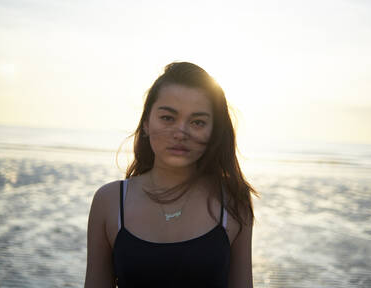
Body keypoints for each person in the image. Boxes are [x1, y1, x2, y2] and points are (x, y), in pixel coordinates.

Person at [85, 62, 257, 287]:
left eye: (197, 122)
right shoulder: (109, 202)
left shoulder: (234, 200)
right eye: (168, 118)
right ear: (146, 123)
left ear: (214, 131)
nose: (180, 132)